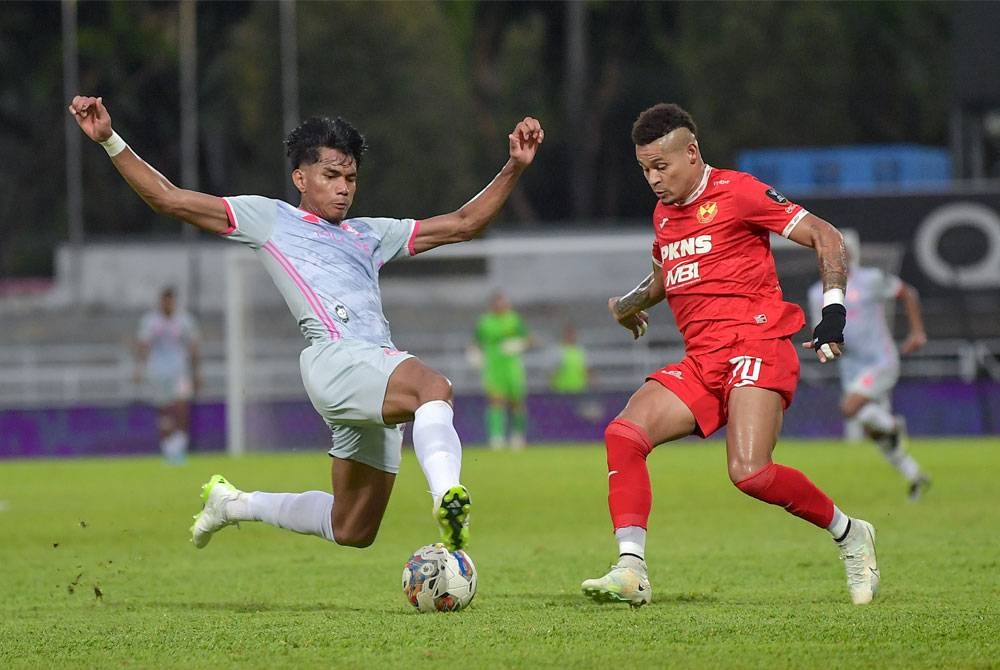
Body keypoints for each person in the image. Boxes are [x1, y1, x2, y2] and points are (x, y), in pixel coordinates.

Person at [69, 95, 543, 553]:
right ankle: (447, 498)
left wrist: (515, 166)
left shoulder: (371, 234)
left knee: (352, 527)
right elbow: (168, 199)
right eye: (331, 175)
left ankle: (233, 504)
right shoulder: (269, 219)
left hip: (371, 366)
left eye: (350, 177)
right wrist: (110, 139)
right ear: (300, 177)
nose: (343, 187)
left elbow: (463, 223)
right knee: (433, 388)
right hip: (336, 359)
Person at [580, 103, 878, 607]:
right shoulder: (664, 214)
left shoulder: (738, 192)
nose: (653, 179)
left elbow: (825, 236)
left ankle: (850, 534)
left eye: (661, 166)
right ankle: (631, 568)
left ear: (691, 153)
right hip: (703, 360)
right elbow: (664, 278)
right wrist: (625, 306)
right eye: (644, 170)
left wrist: (833, 312)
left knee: (749, 472)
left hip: (757, 344)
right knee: (623, 434)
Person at [808, 230, 931, 500]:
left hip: (880, 361)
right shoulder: (818, 293)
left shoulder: (871, 279)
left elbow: (907, 293)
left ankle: (893, 425)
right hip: (850, 367)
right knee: (871, 430)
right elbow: (825, 329)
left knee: (849, 408)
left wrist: (917, 332)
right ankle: (915, 476)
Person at [135, 286, 200, 465]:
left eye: (170, 300)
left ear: (174, 301)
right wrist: (139, 369)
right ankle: (168, 450)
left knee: (181, 409)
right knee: (164, 413)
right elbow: (143, 345)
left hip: (180, 372)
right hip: (158, 372)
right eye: (165, 300)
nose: (168, 304)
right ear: (161, 301)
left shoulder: (184, 321)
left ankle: (179, 449)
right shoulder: (151, 321)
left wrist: (197, 373)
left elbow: (193, 347)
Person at [472, 291, 531, 450]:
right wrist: (475, 355)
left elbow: (528, 339)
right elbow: (476, 342)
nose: (502, 305)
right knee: (495, 401)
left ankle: (518, 436)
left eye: (504, 302)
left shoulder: (514, 319)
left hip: (512, 366)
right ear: (493, 304)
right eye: (499, 303)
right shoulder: (485, 322)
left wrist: (517, 344)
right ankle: (496, 438)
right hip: (493, 366)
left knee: (516, 402)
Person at [550, 324, 590, 394]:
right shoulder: (558, 350)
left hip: (579, 389)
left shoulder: (580, 351)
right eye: (569, 334)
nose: (572, 336)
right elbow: (552, 371)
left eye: (573, 334)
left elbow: (585, 369)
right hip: (562, 389)